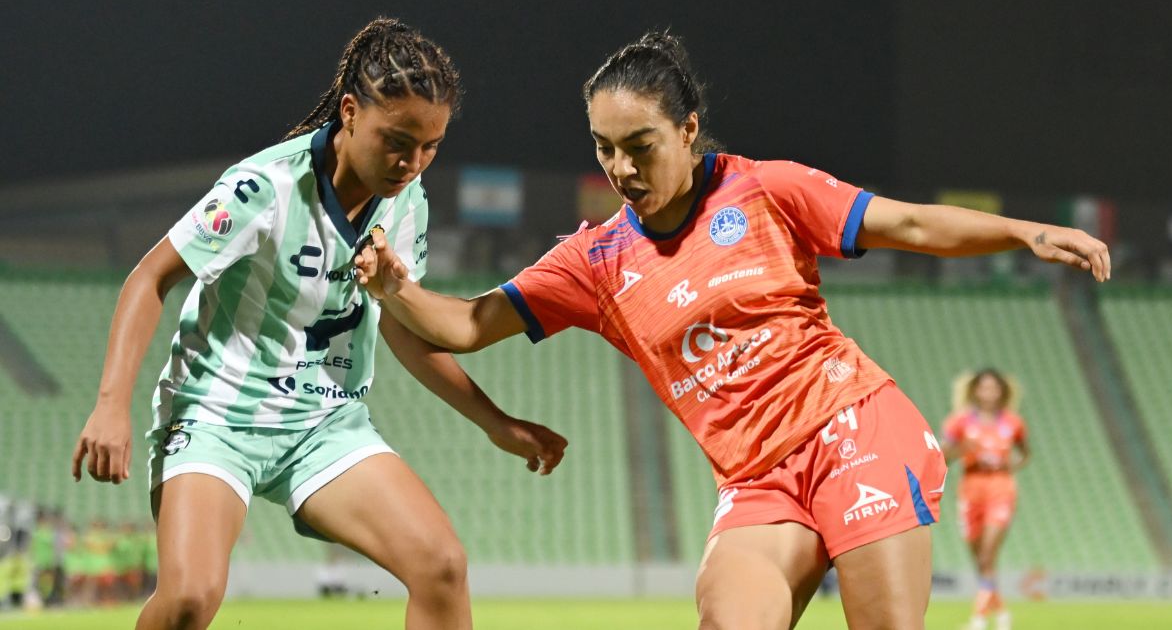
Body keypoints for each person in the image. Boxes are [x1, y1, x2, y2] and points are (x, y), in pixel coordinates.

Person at [354, 31, 1109, 630]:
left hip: (853, 432)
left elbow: (908, 221)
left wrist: (1021, 232)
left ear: (686, 131)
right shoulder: (594, 260)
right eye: (602, 146)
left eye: (639, 144)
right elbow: (462, 323)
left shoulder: (767, 190)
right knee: (728, 613)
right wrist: (394, 287)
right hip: (756, 480)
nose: (620, 166)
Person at [70, 17, 568, 630]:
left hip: (325, 425)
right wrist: (110, 405)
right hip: (218, 416)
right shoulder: (264, 186)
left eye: (430, 145)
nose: (412, 162)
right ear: (352, 111)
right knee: (190, 599)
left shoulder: (406, 201)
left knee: (441, 566)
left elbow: (403, 325)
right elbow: (149, 278)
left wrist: (497, 423)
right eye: (398, 139)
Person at [942, 369, 1029, 630]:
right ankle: (1001, 614)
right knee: (981, 559)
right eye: (983, 387)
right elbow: (943, 455)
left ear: (1002, 391)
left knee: (988, 554)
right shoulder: (960, 422)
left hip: (1001, 489)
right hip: (970, 488)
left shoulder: (1012, 423)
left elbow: (1025, 453)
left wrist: (1011, 466)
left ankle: (978, 620)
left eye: (994, 388)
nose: (989, 393)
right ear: (975, 391)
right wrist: (961, 450)